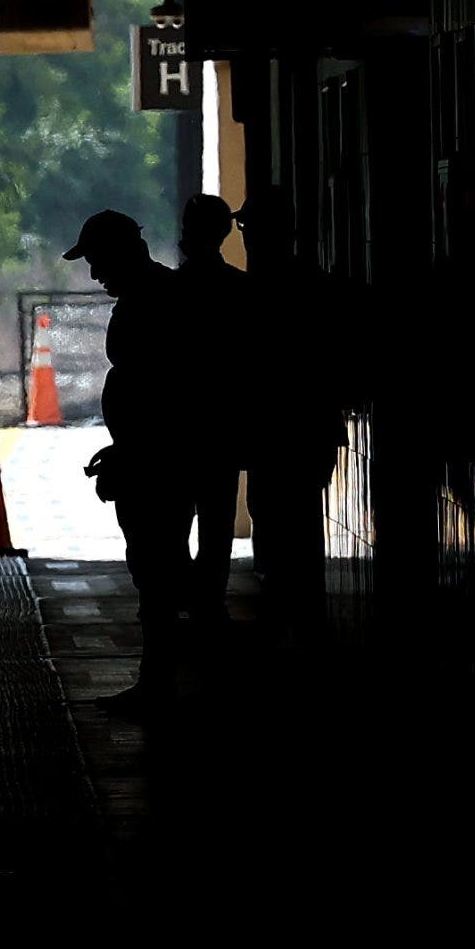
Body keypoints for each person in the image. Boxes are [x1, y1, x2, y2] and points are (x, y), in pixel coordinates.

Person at [64, 208, 194, 713]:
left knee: (156, 570)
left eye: (97, 261)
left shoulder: (155, 301)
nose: (94, 274)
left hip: (156, 462)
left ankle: (158, 683)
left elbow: (162, 393)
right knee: (158, 568)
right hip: (149, 456)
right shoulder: (161, 294)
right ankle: (159, 678)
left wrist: (135, 451)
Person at [233, 187, 348, 645]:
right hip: (311, 427)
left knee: (281, 527)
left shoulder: (260, 290)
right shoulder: (315, 284)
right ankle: (303, 622)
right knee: (298, 527)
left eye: (247, 228)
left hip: (277, 430)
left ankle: (289, 624)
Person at [175, 194, 255, 628]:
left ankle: (188, 593)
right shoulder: (242, 291)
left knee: (173, 521)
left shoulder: (172, 293)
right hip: (224, 426)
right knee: (217, 520)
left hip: (179, 425)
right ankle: (209, 600)